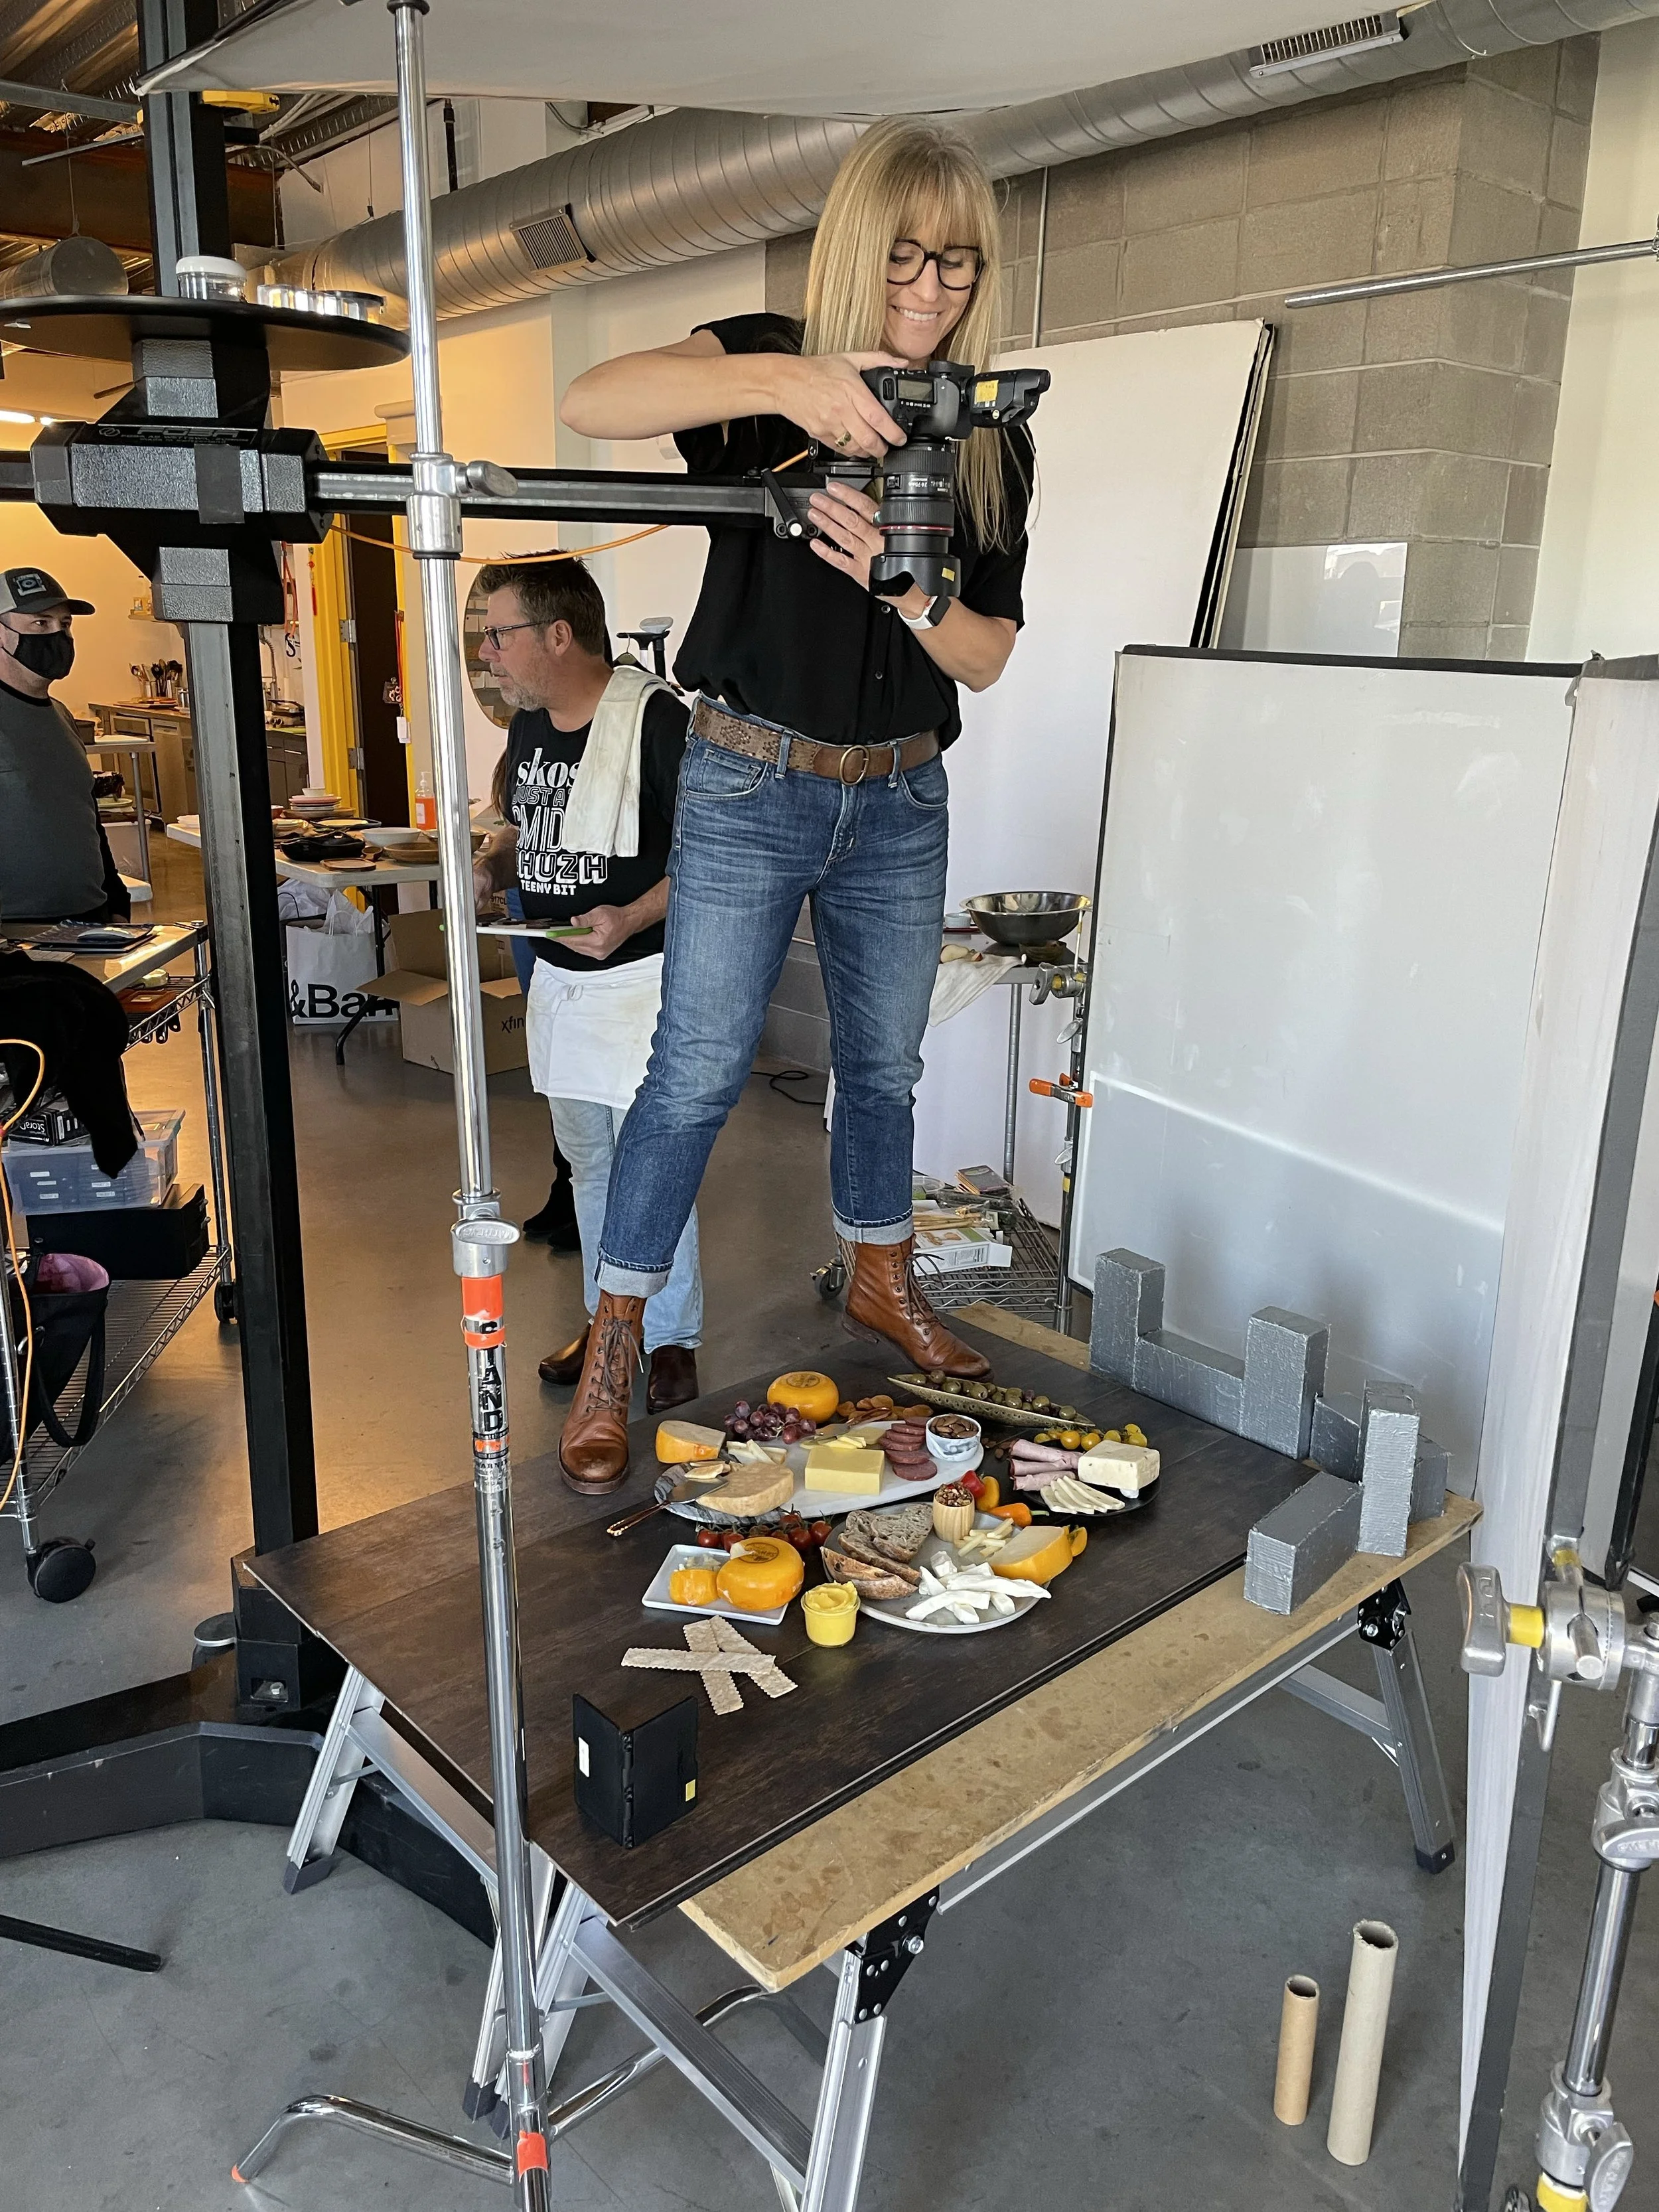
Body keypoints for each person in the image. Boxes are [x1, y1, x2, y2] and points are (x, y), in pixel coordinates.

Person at [554, 117, 1035, 1490]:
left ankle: (883, 1278)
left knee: (881, 1070)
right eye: (904, 256)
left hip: (898, 796)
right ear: (852, 250)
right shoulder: (762, 365)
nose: (933, 289)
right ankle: (615, 1330)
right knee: (696, 1070)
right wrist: (799, 380)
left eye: (957, 263)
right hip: (751, 779)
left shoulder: (987, 430)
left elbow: (987, 655)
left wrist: (914, 588)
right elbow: (593, 398)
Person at [470, 557, 703, 1476]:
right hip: (562, 978)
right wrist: (498, 854)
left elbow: (719, 861)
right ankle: (613, 1329)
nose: (487, 655)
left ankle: (672, 1334)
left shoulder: (658, 723)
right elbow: (527, 819)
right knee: (591, 1163)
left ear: (557, 635)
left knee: (655, 1162)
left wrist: (633, 916)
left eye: (499, 634)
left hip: (641, 977)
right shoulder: (529, 725)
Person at [0, 567, 130, 926]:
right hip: (16, 930)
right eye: (40, 624)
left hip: (89, 918)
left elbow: (83, 813)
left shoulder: (60, 715)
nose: (58, 635)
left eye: (65, 624)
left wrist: (116, 898)